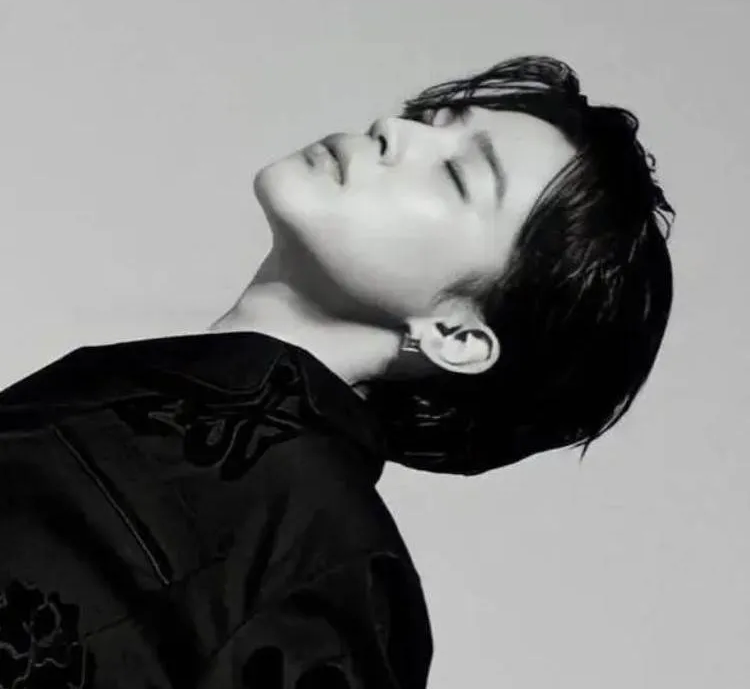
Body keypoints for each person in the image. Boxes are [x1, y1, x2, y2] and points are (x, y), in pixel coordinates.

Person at [0, 55, 674, 687]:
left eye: (457, 175)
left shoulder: (327, 566)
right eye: (425, 120)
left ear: (456, 336)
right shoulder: (114, 378)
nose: (393, 132)